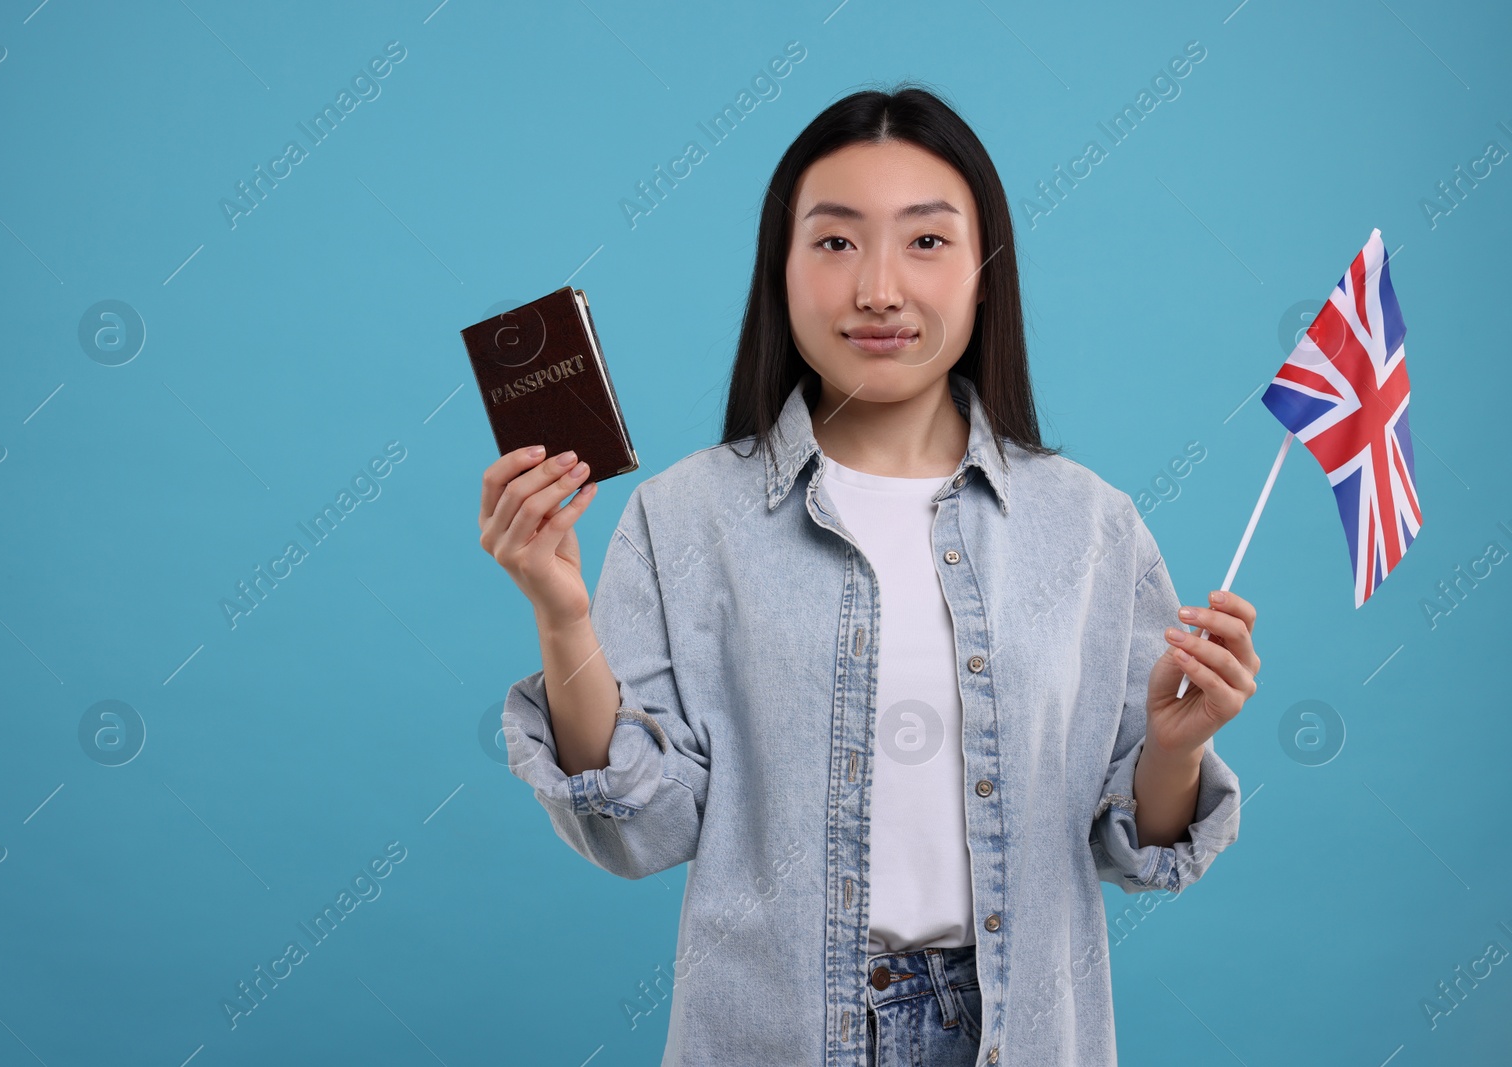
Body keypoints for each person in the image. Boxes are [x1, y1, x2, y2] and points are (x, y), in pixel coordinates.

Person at [478, 82, 1259, 1067]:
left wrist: (1176, 750)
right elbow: (641, 827)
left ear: (985, 272)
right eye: (836, 241)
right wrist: (561, 614)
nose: (878, 288)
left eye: (926, 241)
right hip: (776, 1034)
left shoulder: (1088, 524)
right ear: (782, 269)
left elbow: (1136, 849)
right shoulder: (686, 516)